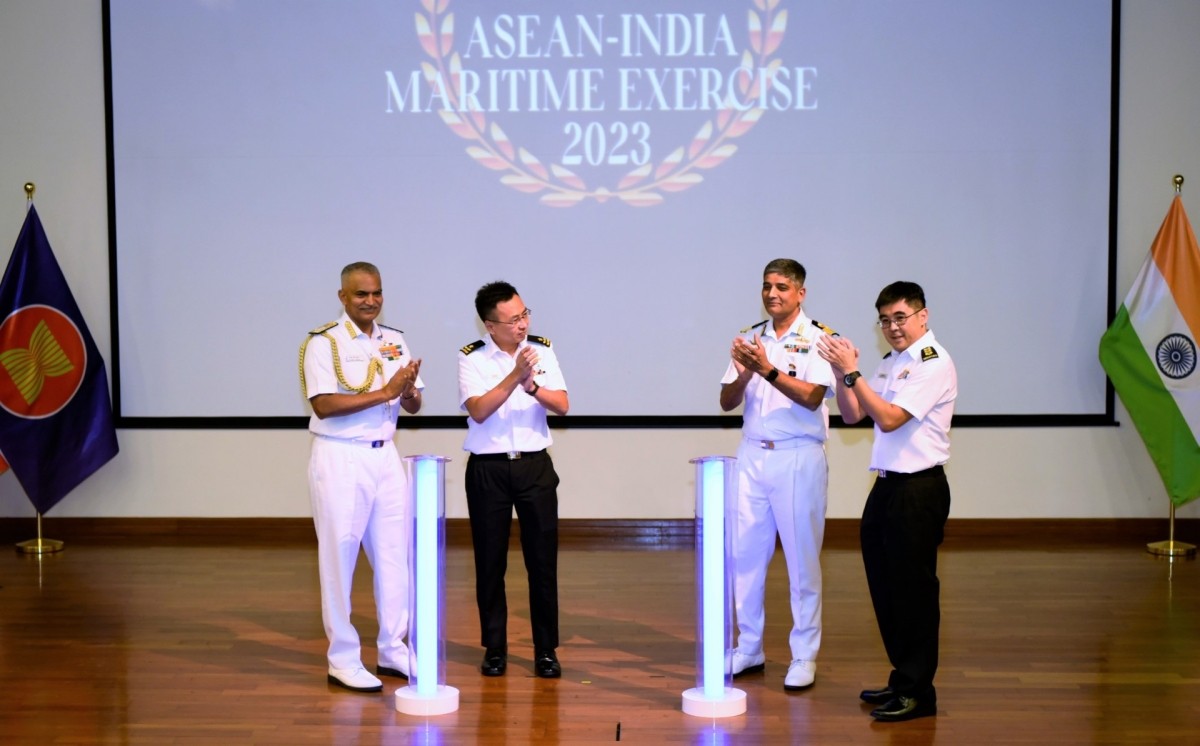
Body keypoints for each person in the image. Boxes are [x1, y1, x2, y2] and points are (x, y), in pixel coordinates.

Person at [816, 280, 956, 722]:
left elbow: (891, 419)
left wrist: (853, 373)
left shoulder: (933, 362)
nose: (892, 327)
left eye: (900, 317)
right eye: (885, 320)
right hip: (887, 486)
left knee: (914, 593)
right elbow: (854, 413)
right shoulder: (892, 362)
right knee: (887, 588)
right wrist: (842, 373)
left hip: (918, 489)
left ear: (922, 315)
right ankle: (903, 679)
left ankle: (919, 692)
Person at [300, 261, 424, 693]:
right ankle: (342, 658)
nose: (370, 301)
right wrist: (386, 391)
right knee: (340, 558)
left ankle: (393, 647)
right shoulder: (323, 343)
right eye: (360, 294)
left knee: (394, 555)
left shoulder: (394, 340)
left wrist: (408, 392)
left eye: (376, 293)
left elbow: (413, 405)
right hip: (341, 456)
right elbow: (323, 405)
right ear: (343, 296)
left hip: (385, 454)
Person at [719, 258, 835, 691]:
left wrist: (767, 369)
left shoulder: (820, 338)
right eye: (767, 285)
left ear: (800, 293)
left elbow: (812, 397)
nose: (772, 294)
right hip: (752, 455)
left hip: (798, 457)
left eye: (782, 287)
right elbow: (727, 401)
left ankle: (804, 654)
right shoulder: (751, 338)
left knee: (802, 562)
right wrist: (746, 371)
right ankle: (749, 646)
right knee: (745, 557)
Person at [457, 281, 569, 679]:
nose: (522, 325)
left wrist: (532, 385)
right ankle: (495, 648)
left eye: (525, 315)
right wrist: (514, 376)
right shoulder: (471, 358)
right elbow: (478, 410)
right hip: (488, 469)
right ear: (490, 325)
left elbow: (563, 405)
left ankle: (545, 650)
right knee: (490, 563)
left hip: (534, 467)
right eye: (513, 320)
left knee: (542, 563)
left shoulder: (543, 350)